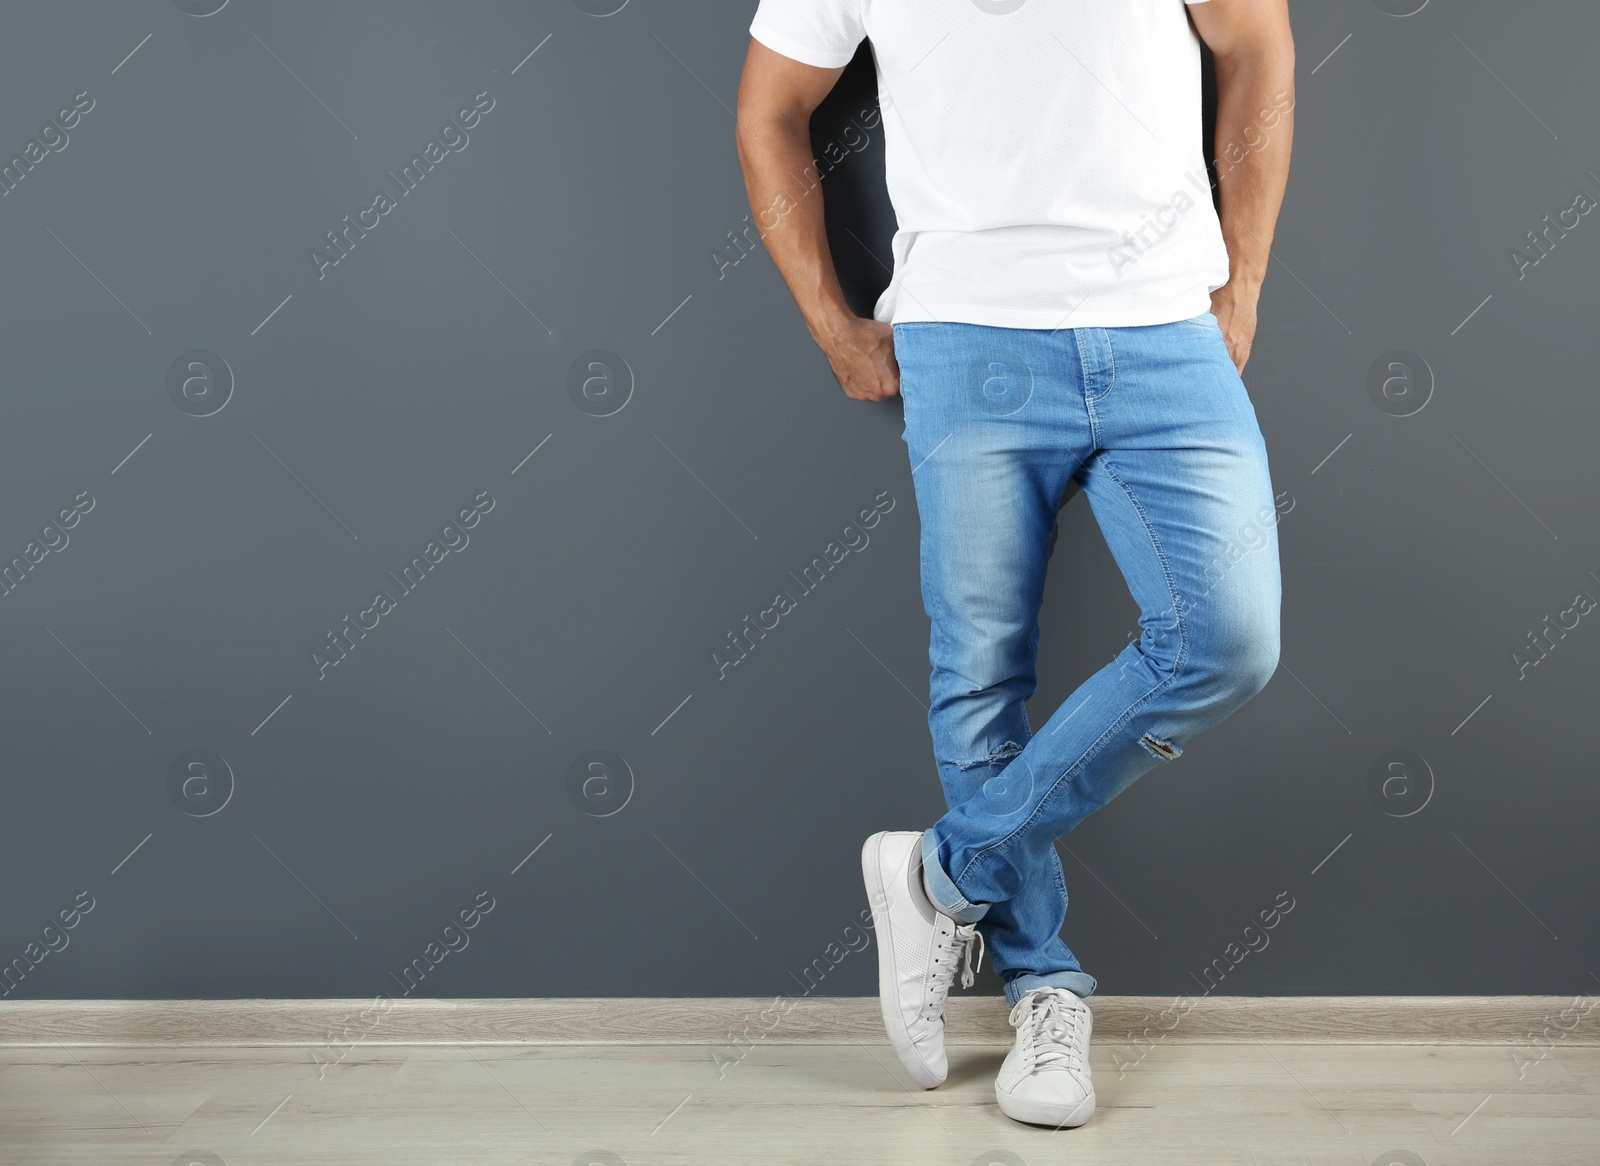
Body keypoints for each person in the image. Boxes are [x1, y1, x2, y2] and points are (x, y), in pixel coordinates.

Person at [735, 0, 1295, 1130]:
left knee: (1227, 637)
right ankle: (1044, 991)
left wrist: (1240, 283)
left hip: (1161, 327)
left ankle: (935, 875)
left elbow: (1256, 47)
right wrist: (831, 325)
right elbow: (767, 110)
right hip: (966, 337)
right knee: (980, 674)